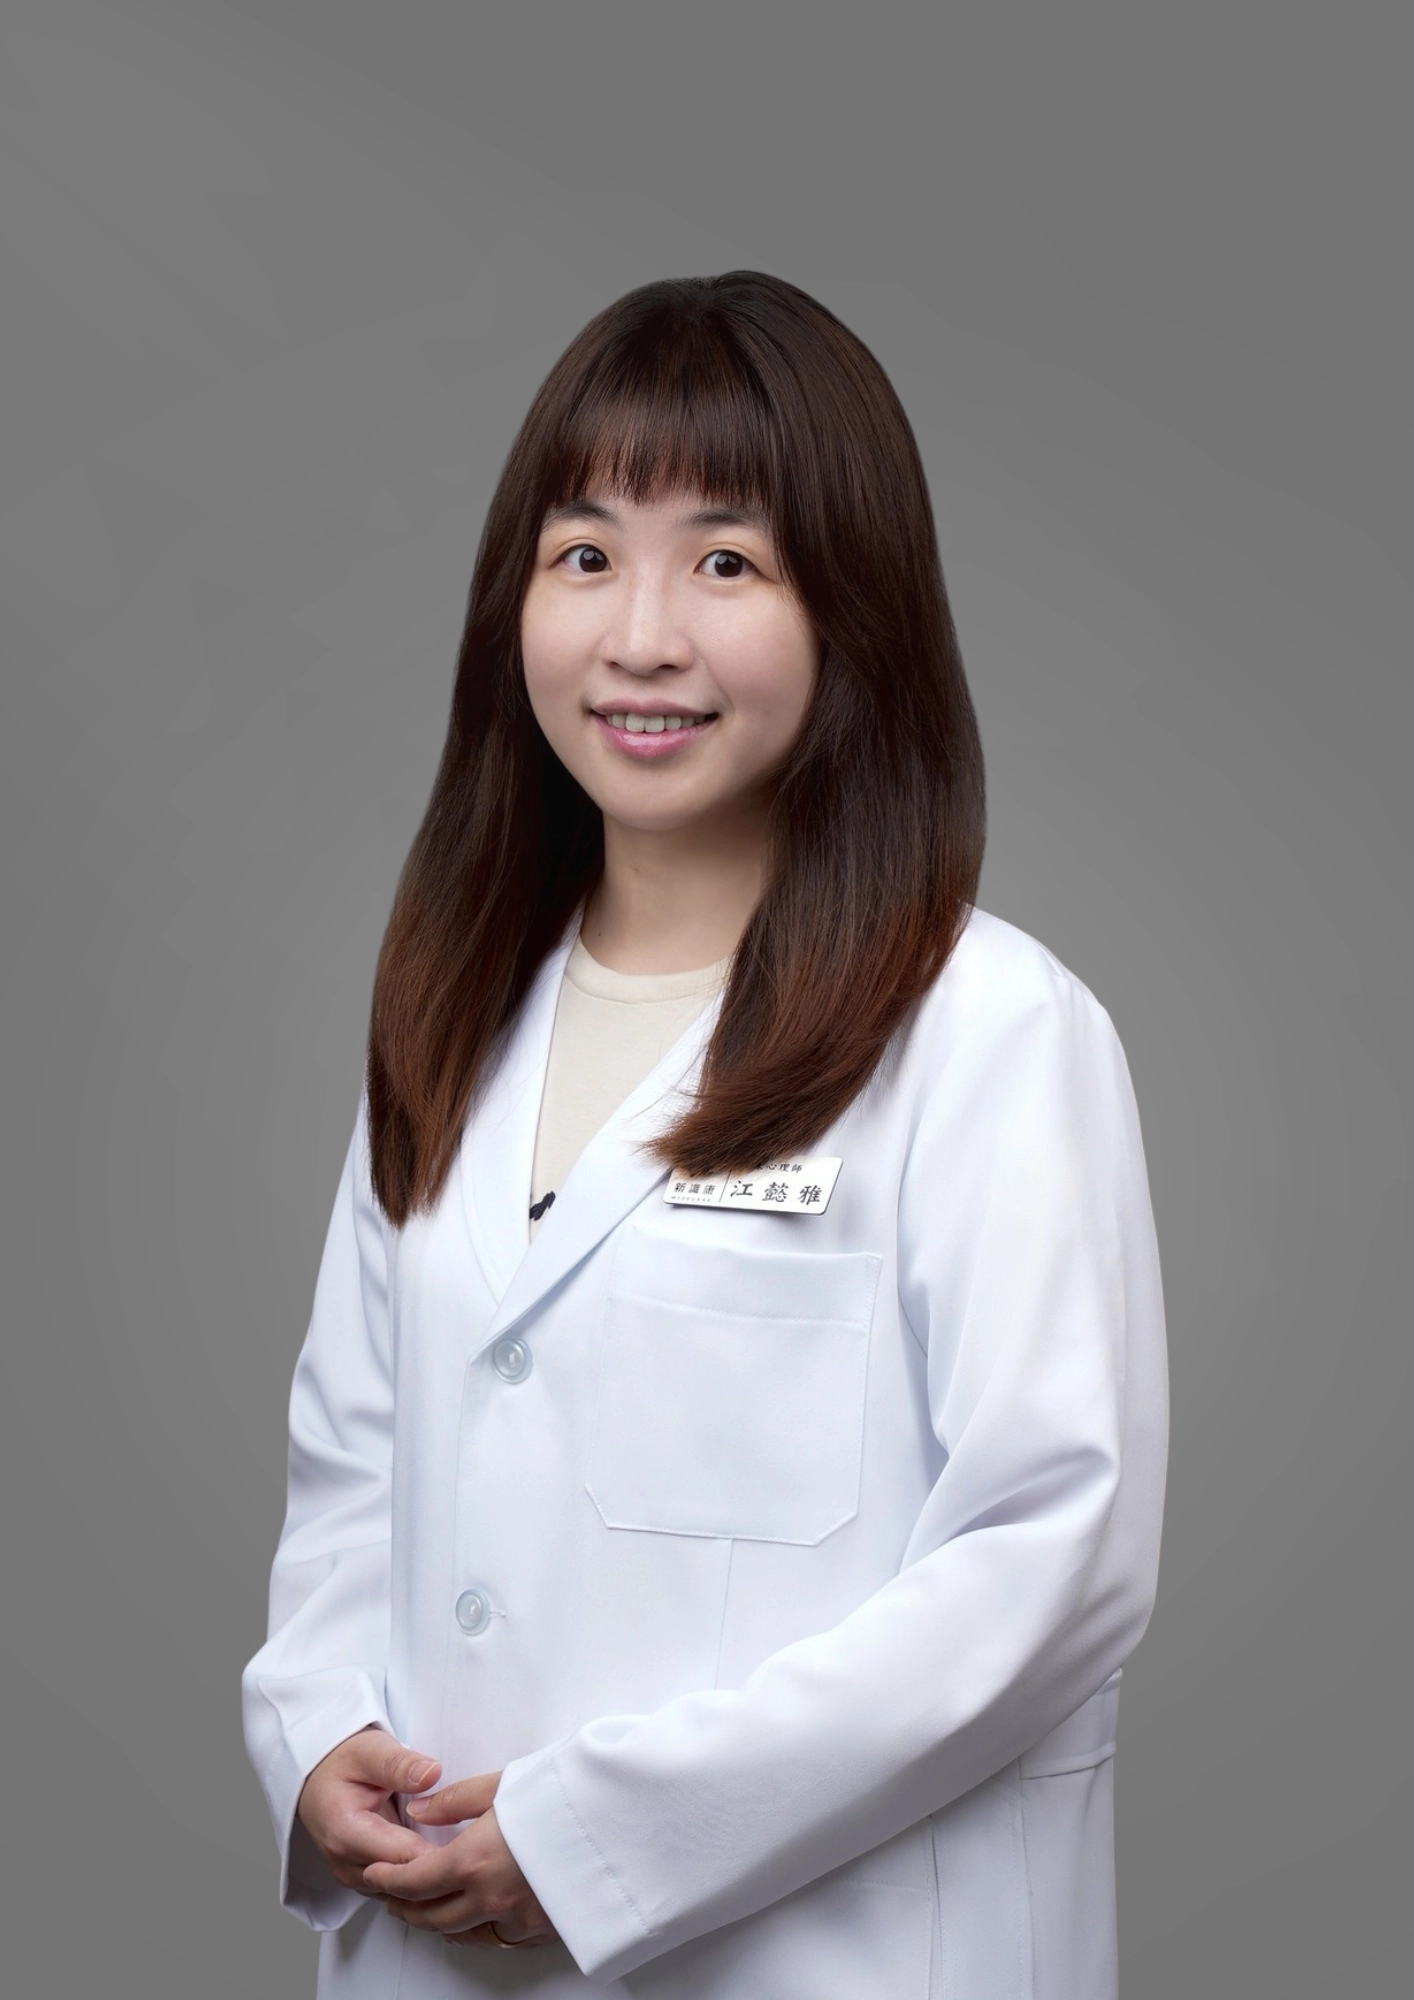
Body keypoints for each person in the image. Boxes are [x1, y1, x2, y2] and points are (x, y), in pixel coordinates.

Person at [242, 270, 1169, 2000]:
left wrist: (594, 1839)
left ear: (853, 610)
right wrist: (317, 1732)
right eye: (584, 554)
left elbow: (1047, 1565)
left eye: (726, 563)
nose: (641, 637)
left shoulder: (986, 1031)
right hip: (442, 1951)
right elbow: (356, 1476)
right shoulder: (453, 1012)